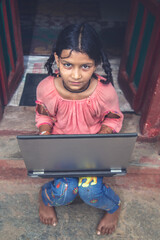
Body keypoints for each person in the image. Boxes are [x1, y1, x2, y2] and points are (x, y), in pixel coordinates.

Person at [35, 23, 124, 235]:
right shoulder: (46, 88)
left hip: (92, 152)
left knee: (89, 191)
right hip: (60, 150)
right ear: (57, 60)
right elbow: (44, 115)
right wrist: (45, 133)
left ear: (96, 64)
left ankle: (113, 207)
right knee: (66, 191)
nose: (76, 75)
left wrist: (100, 139)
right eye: (67, 65)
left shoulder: (105, 92)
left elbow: (112, 118)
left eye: (85, 66)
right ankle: (45, 198)